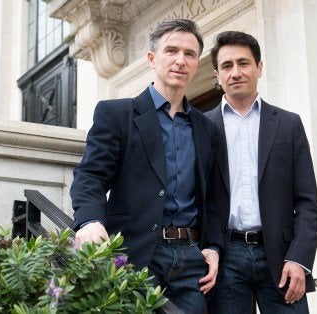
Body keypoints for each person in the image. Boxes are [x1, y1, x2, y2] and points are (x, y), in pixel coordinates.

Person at [70, 19, 224, 313]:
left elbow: (212, 198)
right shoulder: (117, 114)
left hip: (191, 261)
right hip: (135, 253)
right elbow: (90, 174)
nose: (181, 60)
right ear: (152, 59)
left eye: (190, 54)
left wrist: (213, 247)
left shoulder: (206, 128)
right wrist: (90, 221)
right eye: (172, 50)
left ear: (196, 64)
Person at [204, 31, 317, 313]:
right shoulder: (202, 126)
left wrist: (299, 258)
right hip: (226, 258)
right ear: (217, 75)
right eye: (227, 66)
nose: (236, 72)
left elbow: (307, 201)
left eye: (243, 63)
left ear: (259, 67)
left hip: (281, 258)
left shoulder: (289, 124)